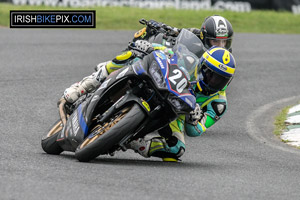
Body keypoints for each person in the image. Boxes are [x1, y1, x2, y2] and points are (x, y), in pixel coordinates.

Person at [61, 15, 235, 161]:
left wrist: (194, 119)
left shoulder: (219, 103)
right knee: (137, 53)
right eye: (215, 41)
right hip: (170, 70)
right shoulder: (195, 39)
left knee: (177, 149)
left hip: (178, 112)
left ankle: (133, 139)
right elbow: (176, 39)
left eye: (224, 43)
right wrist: (154, 39)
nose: (219, 47)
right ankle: (88, 83)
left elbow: (195, 131)